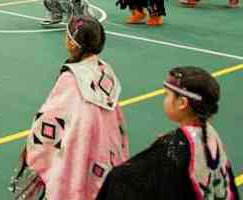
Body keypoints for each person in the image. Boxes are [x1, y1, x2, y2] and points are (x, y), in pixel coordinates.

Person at [11, 17, 128, 200]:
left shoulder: (72, 79)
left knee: (72, 178)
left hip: (77, 143)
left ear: (74, 45)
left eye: (67, 37)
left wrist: (33, 144)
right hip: (102, 147)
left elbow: (51, 117)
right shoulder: (105, 71)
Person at [96, 66, 239, 200]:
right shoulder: (210, 135)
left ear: (182, 103)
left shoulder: (173, 148)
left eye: (167, 95)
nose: (164, 99)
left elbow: (125, 180)